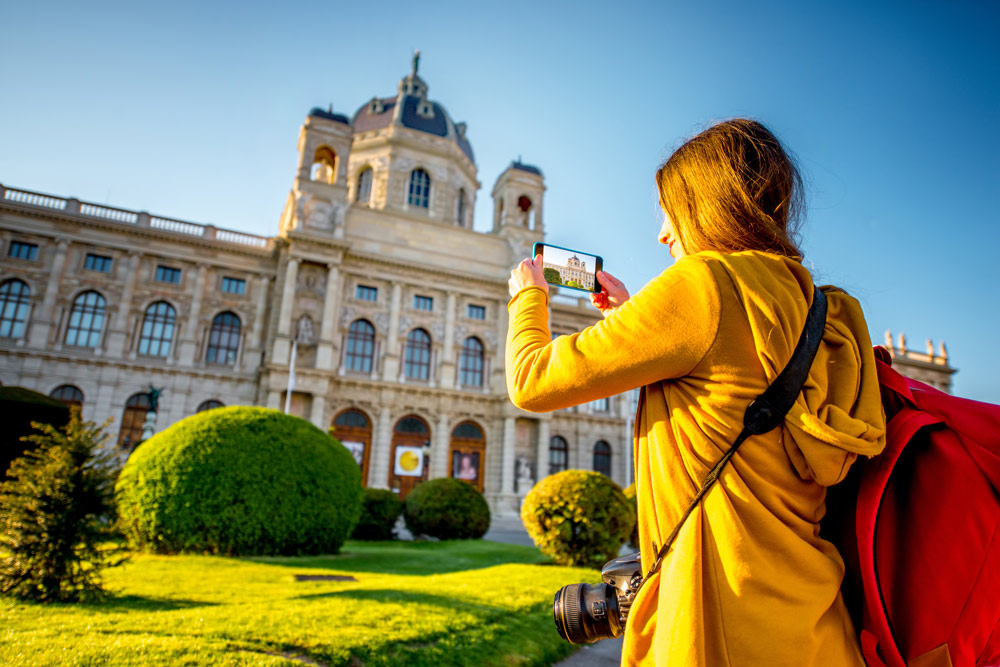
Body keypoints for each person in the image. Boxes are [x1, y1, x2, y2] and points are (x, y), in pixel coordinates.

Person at [505, 119, 885, 666]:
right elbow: (728, 383)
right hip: (814, 622)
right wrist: (633, 315)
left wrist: (529, 299)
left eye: (669, 210)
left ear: (706, 205)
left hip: (717, 623)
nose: (663, 232)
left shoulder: (700, 283)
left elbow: (532, 379)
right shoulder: (819, 305)